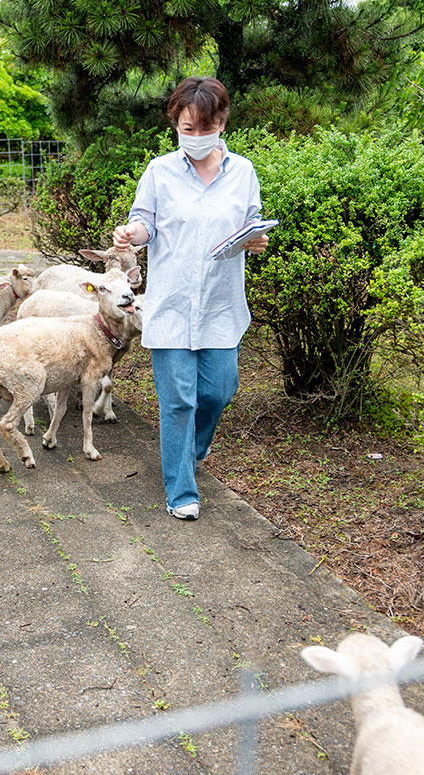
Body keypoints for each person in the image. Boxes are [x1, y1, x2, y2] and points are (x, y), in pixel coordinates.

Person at [112, 76, 269, 521]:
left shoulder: (243, 172)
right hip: (172, 304)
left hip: (222, 304)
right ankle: (181, 489)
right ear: (176, 126)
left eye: (204, 128)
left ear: (221, 124)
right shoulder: (159, 171)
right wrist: (131, 235)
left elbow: (251, 221)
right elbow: (145, 222)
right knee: (178, 400)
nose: (195, 138)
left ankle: (193, 449)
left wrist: (254, 240)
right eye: (186, 129)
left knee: (219, 390)